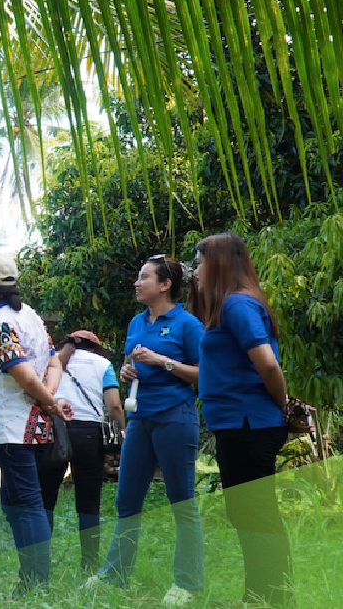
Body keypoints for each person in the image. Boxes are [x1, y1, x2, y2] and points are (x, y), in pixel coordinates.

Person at [90, 254, 204, 607]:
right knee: (127, 501)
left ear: (166, 284)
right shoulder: (135, 324)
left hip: (175, 416)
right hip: (140, 419)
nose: (137, 283)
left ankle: (187, 582)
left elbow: (206, 373)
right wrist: (126, 372)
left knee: (182, 502)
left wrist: (163, 362)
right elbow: (128, 364)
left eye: (144, 277)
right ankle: (114, 573)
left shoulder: (187, 324)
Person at [190, 232, 292, 607]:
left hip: (250, 423)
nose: (195, 272)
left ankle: (275, 596)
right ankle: (259, 592)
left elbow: (267, 363)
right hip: (236, 425)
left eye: (199, 263)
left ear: (217, 264)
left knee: (257, 515)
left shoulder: (237, 305)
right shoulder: (226, 307)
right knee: (246, 513)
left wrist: (281, 404)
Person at [0, 253, 72, 592]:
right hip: (38, 422)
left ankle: (34, 581)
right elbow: (54, 363)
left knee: (26, 503)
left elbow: (23, 374)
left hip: (15, 425)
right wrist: (51, 399)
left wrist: (46, 399)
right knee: (16, 499)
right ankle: (31, 577)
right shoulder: (30, 316)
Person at [38, 330, 124, 572]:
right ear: (95, 347)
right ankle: (89, 562)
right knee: (88, 502)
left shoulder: (52, 361)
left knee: (46, 498)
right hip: (89, 433)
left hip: (55, 428)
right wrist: (121, 431)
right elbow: (114, 404)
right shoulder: (103, 364)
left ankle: (41, 560)